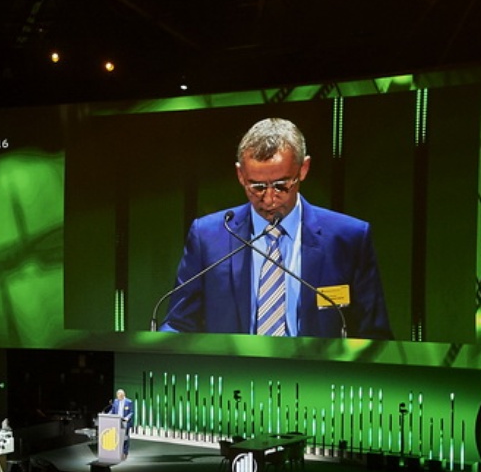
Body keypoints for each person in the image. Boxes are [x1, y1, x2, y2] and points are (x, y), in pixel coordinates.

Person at [161, 118, 391, 338]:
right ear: (240, 175)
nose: (269, 199)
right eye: (257, 186)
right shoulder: (208, 236)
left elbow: (373, 336)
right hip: (234, 365)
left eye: (281, 186)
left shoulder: (348, 238)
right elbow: (178, 324)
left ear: (303, 169)